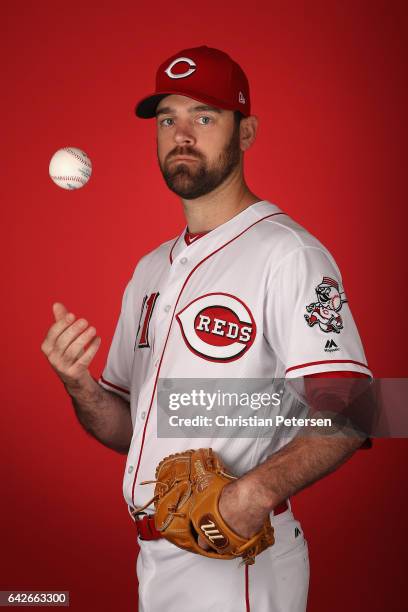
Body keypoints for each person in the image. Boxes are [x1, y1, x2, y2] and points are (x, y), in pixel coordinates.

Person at [41, 45, 372, 612]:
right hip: (156, 560)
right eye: (168, 118)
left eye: (206, 116)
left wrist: (254, 492)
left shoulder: (287, 253)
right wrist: (81, 386)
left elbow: (355, 411)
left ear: (246, 133)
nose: (182, 134)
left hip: (238, 561)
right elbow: (128, 430)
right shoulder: (150, 270)